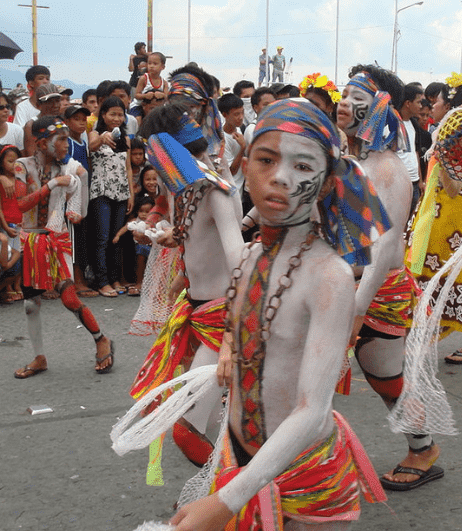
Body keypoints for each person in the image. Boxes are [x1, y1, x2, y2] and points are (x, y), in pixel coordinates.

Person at [168, 96, 387, 531]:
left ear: (326, 184)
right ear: (244, 166)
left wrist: (225, 502)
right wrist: (230, 344)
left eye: (303, 167)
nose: (281, 177)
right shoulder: (249, 258)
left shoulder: (330, 276)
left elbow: (313, 410)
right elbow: (241, 319)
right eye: (266, 160)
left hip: (306, 481)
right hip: (240, 460)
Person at [335, 64, 443, 491]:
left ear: (378, 108)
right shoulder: (342, 161)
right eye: (343, 94)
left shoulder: (387, 170)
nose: (343, 103)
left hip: (378, 291)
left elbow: (384, 247)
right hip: (340, 285)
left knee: (385, 378)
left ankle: (424, 449)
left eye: (355, 97)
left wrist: (359, 306)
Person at [130, 101, 243, 467]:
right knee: (209, 420)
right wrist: (175, 244)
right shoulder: (187, 190)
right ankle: (219, 496)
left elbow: (240, 266)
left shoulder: (217, 193)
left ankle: (231, 498)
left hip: (220, 322)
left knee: (185, 427)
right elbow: (199, 243)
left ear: (165, 150)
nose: (150, 161)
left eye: (152, 150)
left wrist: (230, 339)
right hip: (195, 314)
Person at [11, 116, 114, 377]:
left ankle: (102, 339)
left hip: (56, 239)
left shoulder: (68, 166)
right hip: (32, 240)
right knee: (30, 305)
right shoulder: (22, 166)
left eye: (68, 139)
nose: (67, 145)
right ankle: (40, 357)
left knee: (68, 297)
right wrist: (53, 185)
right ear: (43, 143)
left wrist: (81, 209)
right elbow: (22, 205)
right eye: (61, 140)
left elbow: (84, 176)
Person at [406, 76, 462, 364]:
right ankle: (430, 337)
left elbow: (452, 187)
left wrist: (442, 154)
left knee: (454, 276)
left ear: (450, 106)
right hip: (439, 214)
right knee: (437, 275)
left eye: (436, 101)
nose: (431, 106)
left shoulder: (449, 139)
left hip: (447, 218)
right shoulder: (448, 135)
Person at [88, 96, 134, 297]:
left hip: (121, 192)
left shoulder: (126, 139)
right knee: (102, 238)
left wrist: (131, 193)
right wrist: (102, 138)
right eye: (112, 114)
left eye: (120, 114)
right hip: (101, 192)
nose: (117, 118)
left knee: (117, 239)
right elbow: (91, 147)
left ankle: (115, 279)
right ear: (103, 115)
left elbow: (129, 168)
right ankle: (102, 281)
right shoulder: (94, 133)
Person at [63, 104, 96, 298]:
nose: (81, 123)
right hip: (72, 196)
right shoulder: (68, 142)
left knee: (82, 237)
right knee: (74, 239)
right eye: (76, 119)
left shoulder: (83, 141)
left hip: (84, 194)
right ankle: (76, 280)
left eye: (84, 119)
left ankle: (79, 277)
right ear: (67, 122)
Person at [0, 144, 25, 300]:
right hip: (8, 226)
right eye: (10, 161)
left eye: (17, 161)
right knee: (10, 256)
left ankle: (17, 285)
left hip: (21, 224)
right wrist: (4, 226)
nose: (14, 165)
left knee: (22, 257)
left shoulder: (22, 182)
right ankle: (6, 287)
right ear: (0, 162)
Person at [112, 194, 155, 296]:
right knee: (140, 262)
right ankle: (139, 283)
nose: (144, 214)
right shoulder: (135, 221)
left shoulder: (154, 221)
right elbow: (126, 227)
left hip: (153, 247)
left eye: (147, 211)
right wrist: (117, 235)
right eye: (141, 211)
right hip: (140, 247)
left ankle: (152, 284)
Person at [396, 82, 424, 217]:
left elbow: (416, 152)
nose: (420, 106)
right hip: (399, 183)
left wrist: (419, 180)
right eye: (418, 102)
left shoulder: (413, 124)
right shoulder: (392, 123)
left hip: (414, 183)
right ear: (408, 103)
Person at [218, 93, 247, 195]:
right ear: (225, 115)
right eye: (236, 114)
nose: (241, 117)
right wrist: (243, 147)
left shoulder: (241, 128)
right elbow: (231, 171)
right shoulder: (222, 139)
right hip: (232, 191)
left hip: (242, 188)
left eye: (242, 113)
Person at [22, 84, 62, 157]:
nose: (55, 105)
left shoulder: (60, 122)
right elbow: (31, 155)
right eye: (50, 101)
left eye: (57, 101)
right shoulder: (30, 126)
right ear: (38, 105)